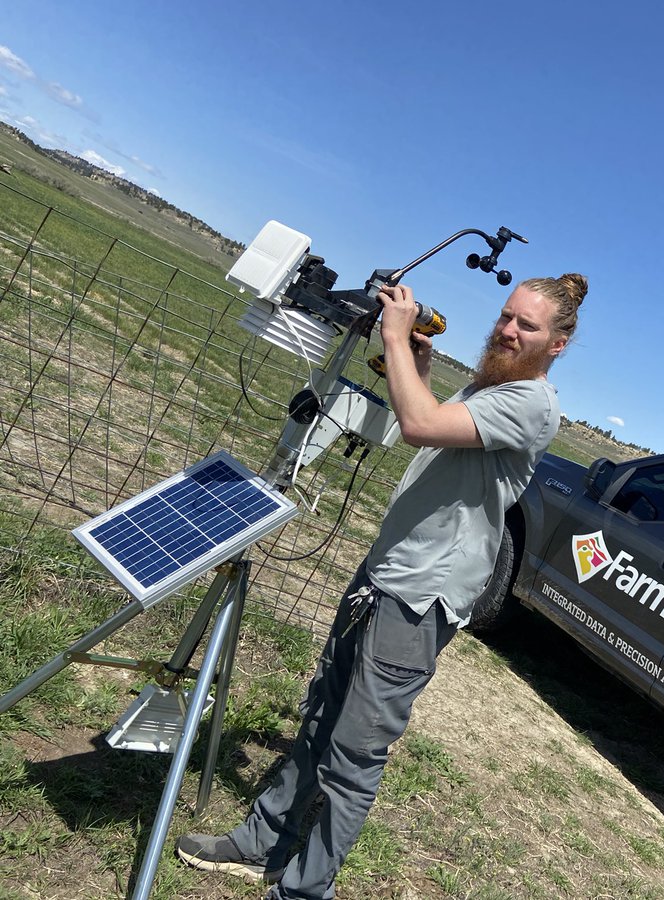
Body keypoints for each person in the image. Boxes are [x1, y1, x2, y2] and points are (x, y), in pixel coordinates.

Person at [175, 273, 588, 899]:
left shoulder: (532, 403)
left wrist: (396, 337)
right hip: (387, 573)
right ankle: (262, 841)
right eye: (506, 316)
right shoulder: (492, 386)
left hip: (421, 598)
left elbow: (419, 425)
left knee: (355, 751)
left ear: (557, 343)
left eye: (526, 325)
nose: (506, 330)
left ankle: (304, 890)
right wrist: (414, 364)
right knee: (321, 718)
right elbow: (425, 415)